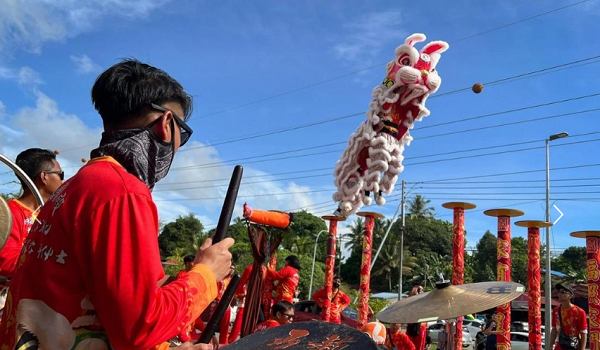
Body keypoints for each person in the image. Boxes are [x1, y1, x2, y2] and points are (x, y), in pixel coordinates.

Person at [0, 59, 234, 350]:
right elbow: (138, 329)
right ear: (166, 124)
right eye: (181, 136)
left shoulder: (76, 185)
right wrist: (207, 275)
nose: (177, 147)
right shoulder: (122, 192)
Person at [0, 149, 64, 283]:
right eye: (60, 175)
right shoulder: (10, 214)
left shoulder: (53, 214)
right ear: (44, 177)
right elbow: (6, 262)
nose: (63, 182)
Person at [550, 283, 588, 350]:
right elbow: (554, 329)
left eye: (563, 292)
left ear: (570, 295)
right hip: (560, 345)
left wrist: (582, 348)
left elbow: (583, 332)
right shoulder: (556, 310)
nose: (560, 294)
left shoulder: (580, 312)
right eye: (559, 292)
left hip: (574, 345)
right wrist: (550, 346)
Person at [407, 284, 427, 350]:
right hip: (411, 326)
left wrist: (418, 296)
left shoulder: (425, 300)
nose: (416, 292)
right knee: (408, 346)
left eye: (419, 290)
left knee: (418, 348)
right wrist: (412, 295)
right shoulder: (410, 299)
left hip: (420, 326)